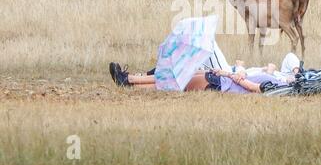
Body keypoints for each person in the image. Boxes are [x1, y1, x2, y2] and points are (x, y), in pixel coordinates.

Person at [109, 62, 287, 94]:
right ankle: (128, 80)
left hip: (220, 84)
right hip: (221, 80)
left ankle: (129, 80)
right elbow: (269, 71)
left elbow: (253, 88)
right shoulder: (277, 79)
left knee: (177, 82)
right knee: (179, 76)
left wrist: (228, 73)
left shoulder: (278, 87)